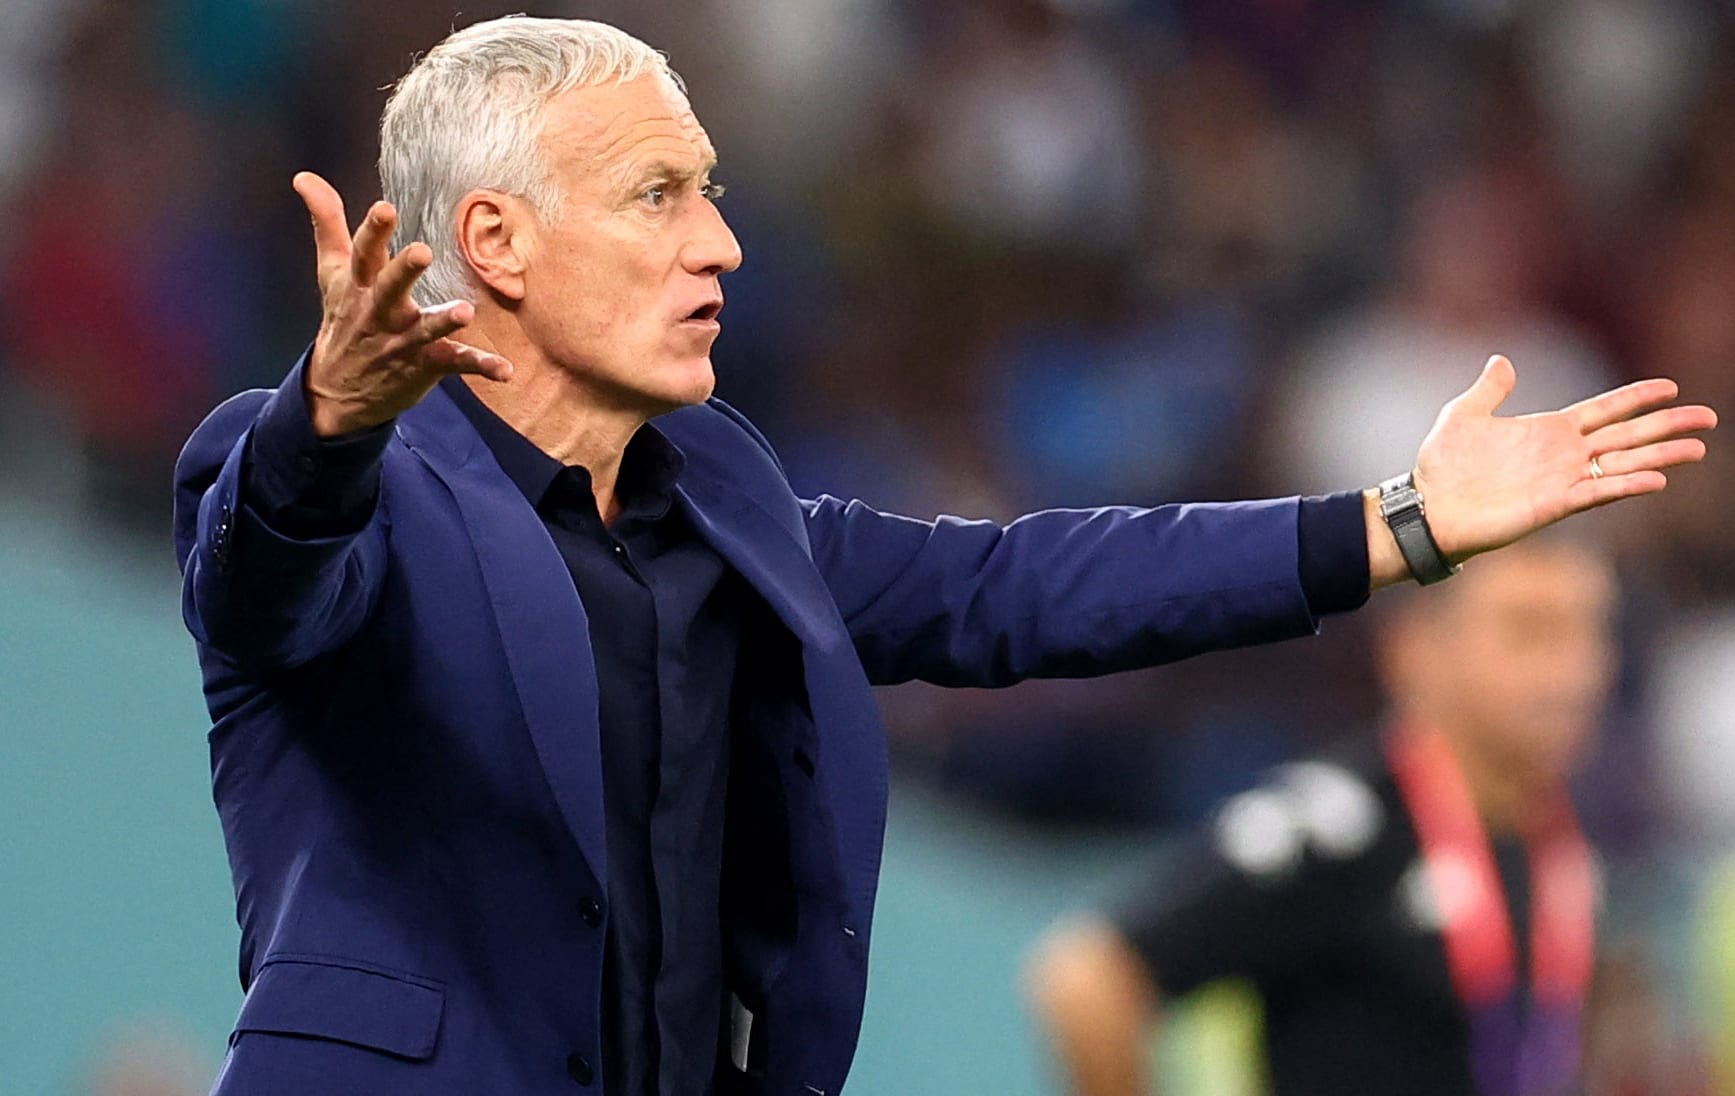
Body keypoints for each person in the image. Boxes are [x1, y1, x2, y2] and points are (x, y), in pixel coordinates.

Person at [169, 15, 1714, 1096]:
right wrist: (325, 429)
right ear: (496, 242)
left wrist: (1396, 522)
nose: (719, 242)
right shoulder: (322, 480)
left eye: (709, 191)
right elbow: (263, 591)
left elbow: (1017, 589)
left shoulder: (723, 500)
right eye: (658, 195)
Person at [1023, 537, 1621, 1096]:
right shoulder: (1336, 828)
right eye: (1528, 632)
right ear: (1414, 650)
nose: (1571, 674)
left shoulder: (1559, 843)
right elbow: (1088, 980)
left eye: (1588, 632)